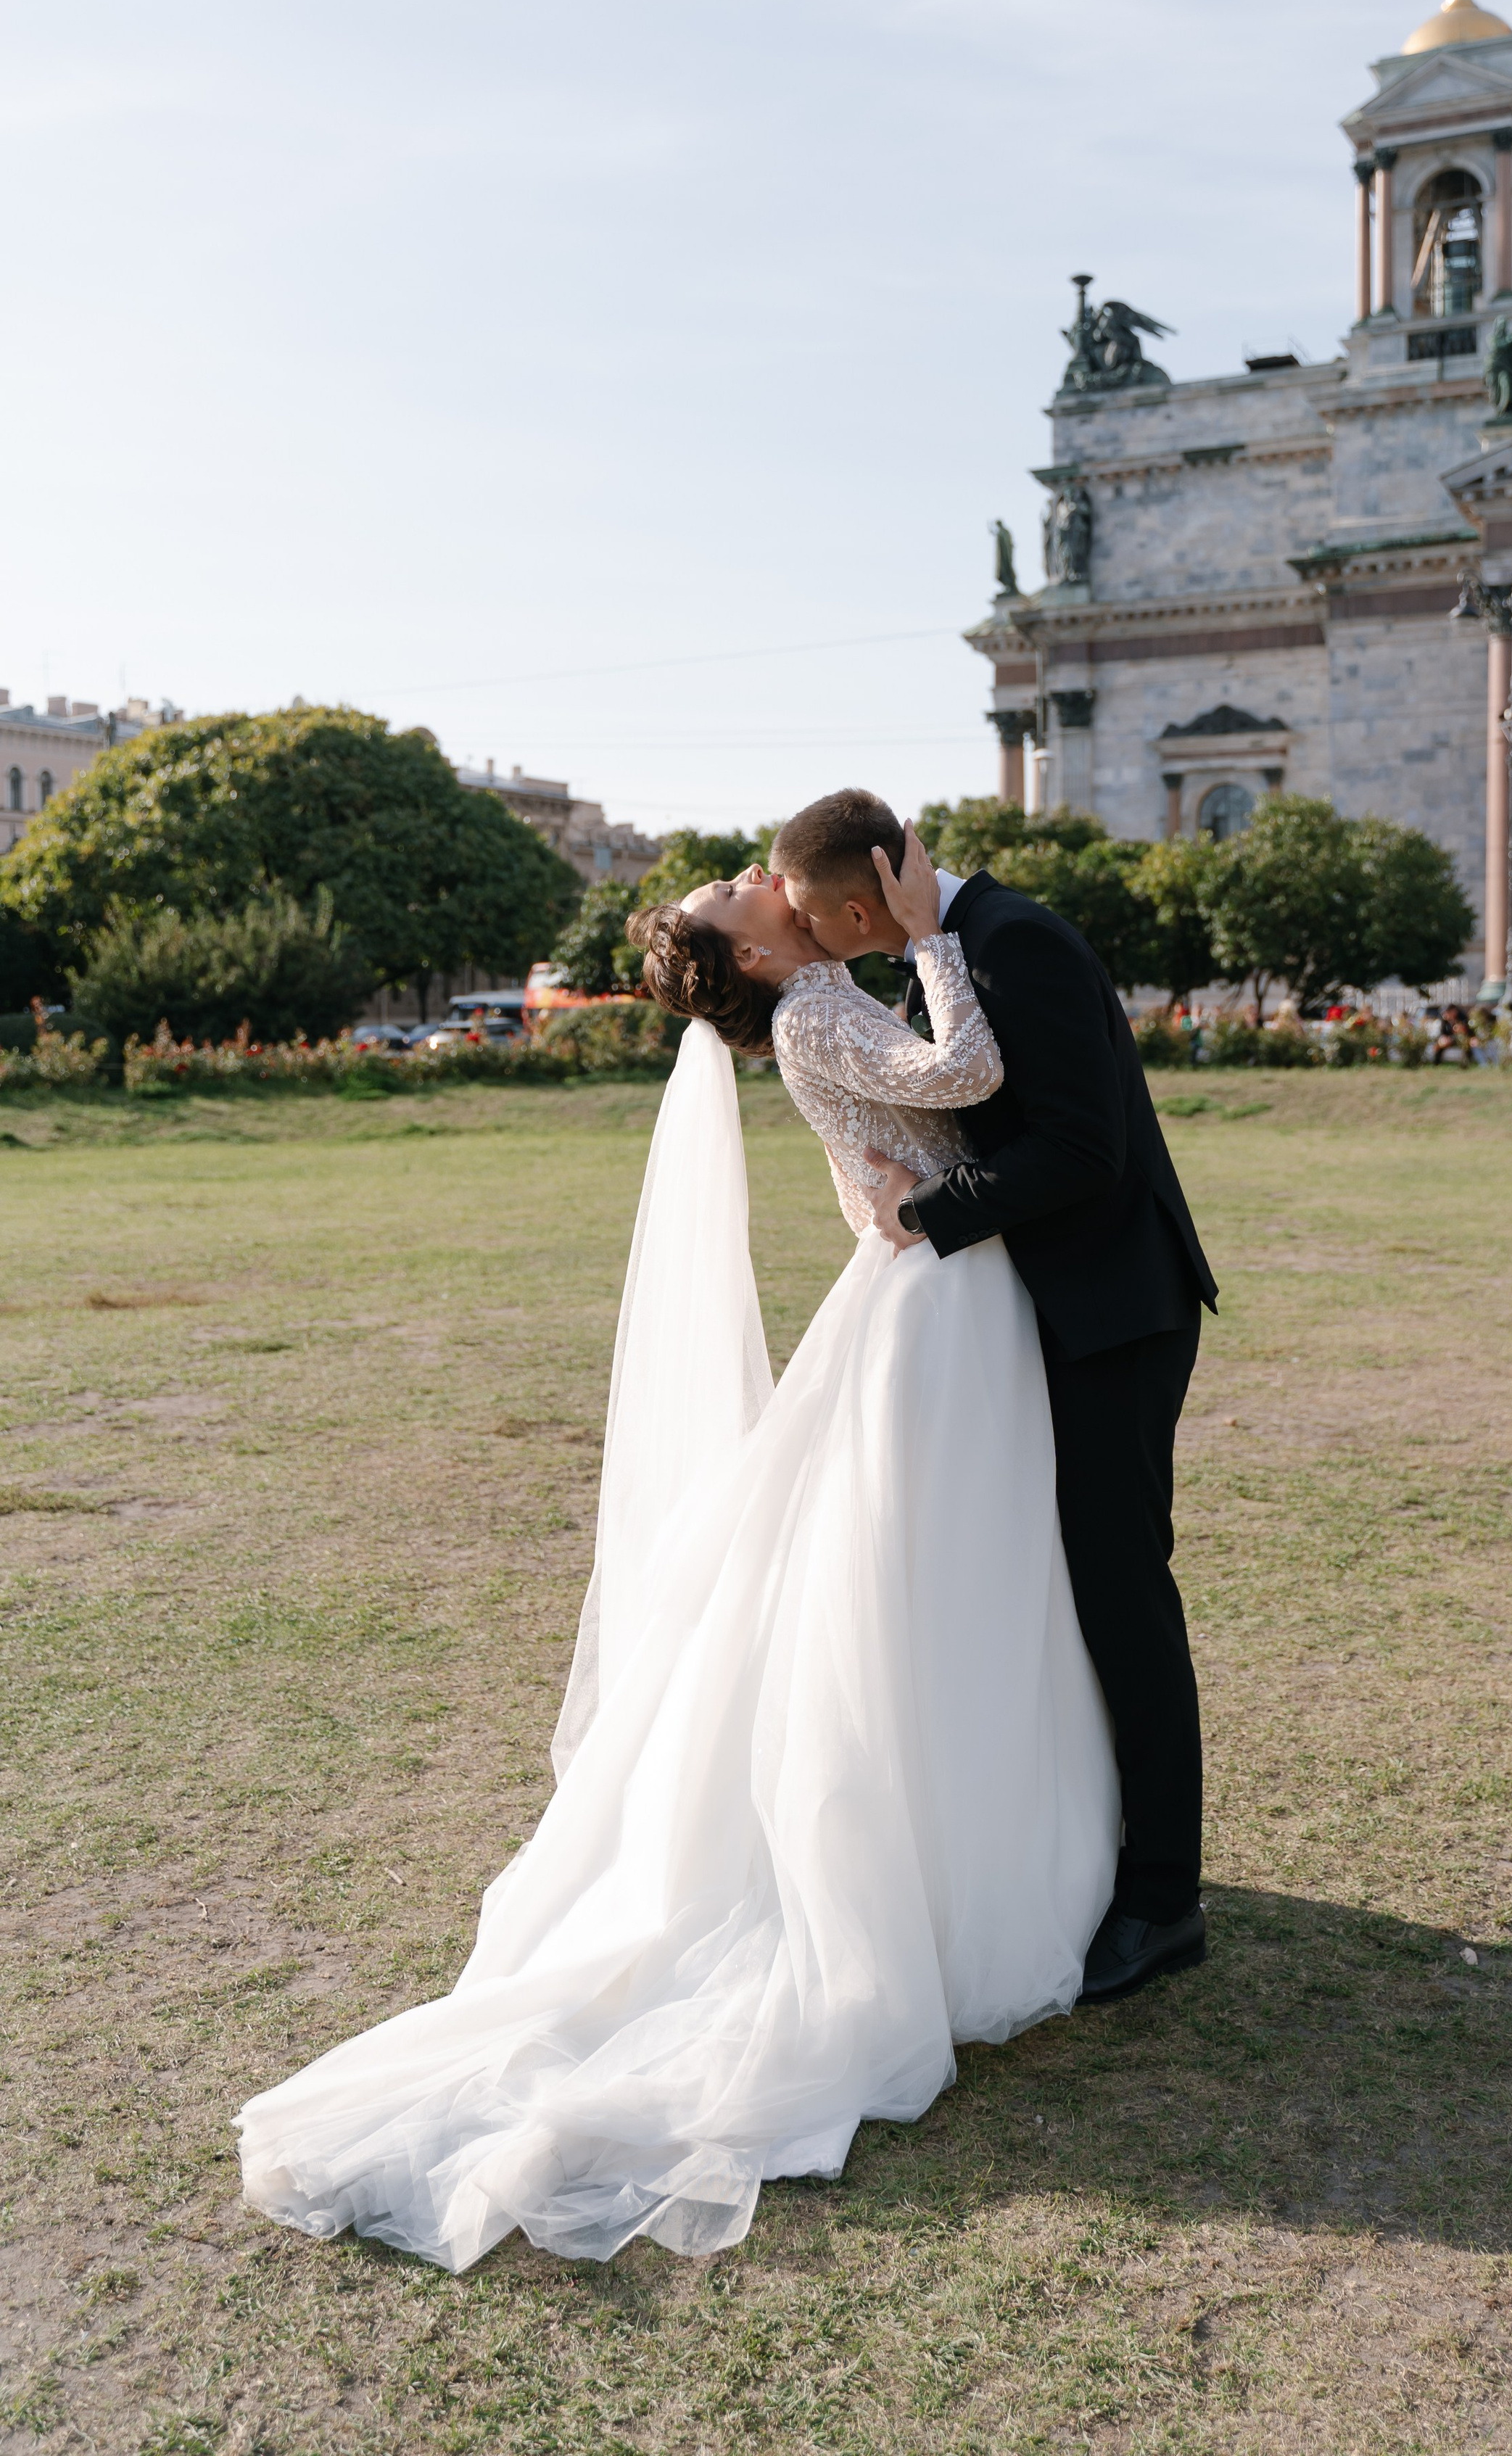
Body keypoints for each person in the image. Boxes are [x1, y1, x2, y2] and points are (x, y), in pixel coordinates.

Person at [238, 822, 1119, 2271]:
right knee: (940, 1583)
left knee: (927, 1581)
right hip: (939, 1308)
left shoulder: (801, 1007)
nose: (755, 883)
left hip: (925, 1292)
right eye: (737, 895)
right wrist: (934, 942)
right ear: (760, 950)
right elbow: (960, 1078)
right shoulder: (821, 1002)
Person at [772, 790, 1218, 2006]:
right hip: (1043, 1316)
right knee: (1067, 1592)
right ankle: (1094, 1854)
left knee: (1124, 1592)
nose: (818, 933)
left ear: (871, 880)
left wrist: (924, 1217)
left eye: (820, 911)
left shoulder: (1018, 941)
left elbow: (1084, 1151)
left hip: (1115, 1313)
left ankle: (1164, 1898)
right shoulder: (944, 958)